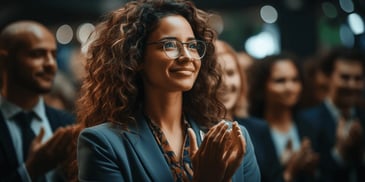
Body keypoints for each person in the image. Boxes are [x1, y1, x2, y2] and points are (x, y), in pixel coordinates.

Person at [75, 0, 260, 181]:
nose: (187, 56)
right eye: (170, 45)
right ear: (136, 57)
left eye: (192, 45)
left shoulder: (233, 138)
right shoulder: (103, 143)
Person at [0, 20, 75, 182]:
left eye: (53, 55)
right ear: (4, 60)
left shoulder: (68, 123)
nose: (50, 64)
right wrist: (30, 170)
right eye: (37, 54)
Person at [247, 53, 320, 182]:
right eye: (280, 81)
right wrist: (289, 169)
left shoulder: (311, 125)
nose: (290, 87)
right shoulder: (251, 131)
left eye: (295, 80)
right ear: (262, 85)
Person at [299, 47, 365, 182]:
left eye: (358, 78)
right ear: (328, 78)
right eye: (345, 78)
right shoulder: (307, 121)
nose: (352, 85)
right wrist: (340, 153)